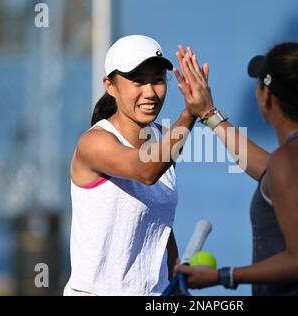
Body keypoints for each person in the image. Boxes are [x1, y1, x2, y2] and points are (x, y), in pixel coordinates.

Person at [174, 43, 298, 295]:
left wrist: (223, 275)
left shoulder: (290, 162)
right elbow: (274, 173)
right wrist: (208, 112)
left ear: (267, 96)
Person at [63, 35, 209, 296]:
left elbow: (159, 222)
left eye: (157, 80)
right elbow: (145, 171)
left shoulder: (165, 139)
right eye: (138, 81)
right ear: (110, 85)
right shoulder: (94, 143)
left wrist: (174, 282)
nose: (150, 92)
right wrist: (190, 114)